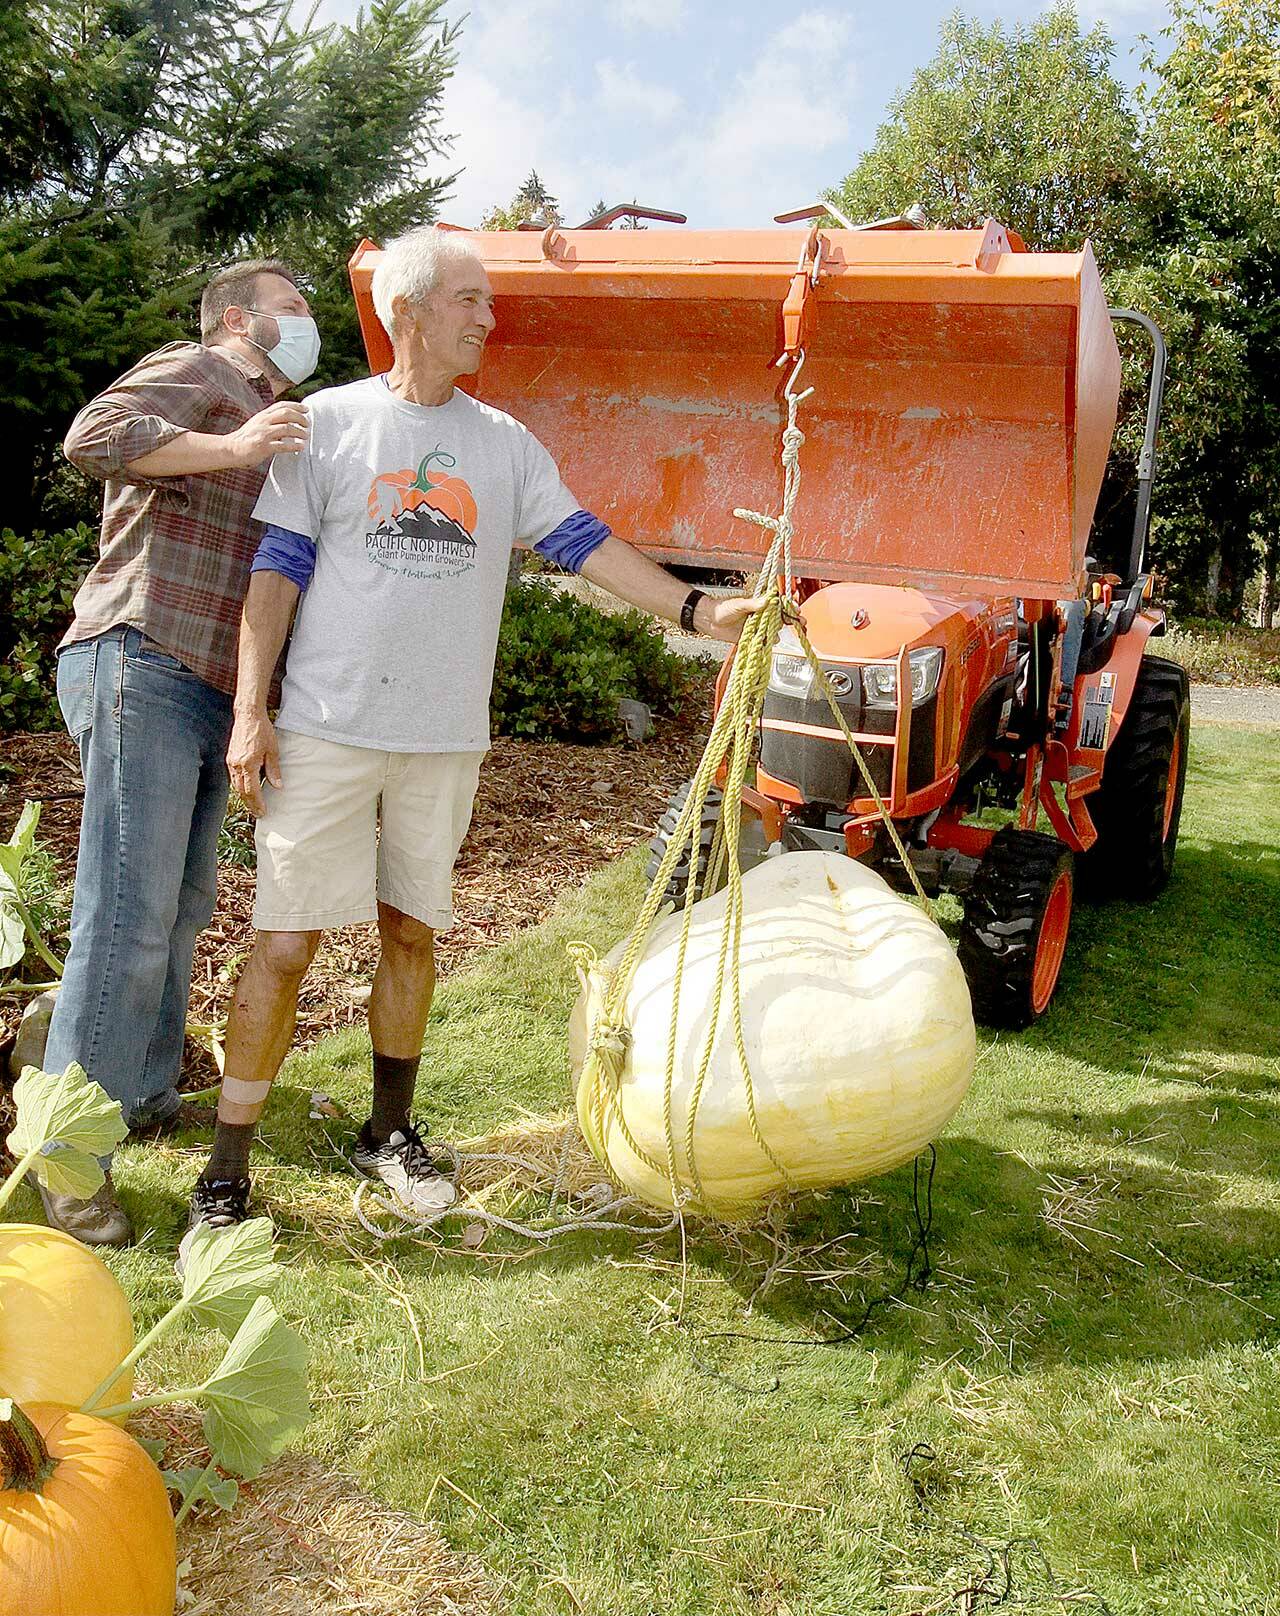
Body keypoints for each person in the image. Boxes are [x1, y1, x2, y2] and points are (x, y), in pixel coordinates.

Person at [183, 225, 763, 1247]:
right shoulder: (323, 423)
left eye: (487, 301)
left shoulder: (502, 442)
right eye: (469, 299)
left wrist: (688, 611)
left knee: (411, 928)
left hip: (442, 736)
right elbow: (274, 571)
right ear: (406, 311)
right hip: (325, 726)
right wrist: (249, 710)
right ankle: (225, 1166)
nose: (488, 317)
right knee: (284, 943)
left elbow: (580, 540)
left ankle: (389, 1128)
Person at [41, 260, 320, 1247]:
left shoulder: (277, 412)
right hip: (140, 652)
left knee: (182, 904)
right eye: (294, 306)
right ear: (239, 317)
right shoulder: (198, 366)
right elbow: (92, 435)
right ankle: (67, 1159)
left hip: (209, 687)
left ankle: (146, 1093)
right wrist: (231, 439)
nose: (309, 321)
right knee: (127, 912)